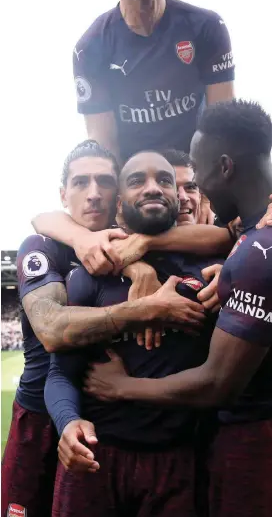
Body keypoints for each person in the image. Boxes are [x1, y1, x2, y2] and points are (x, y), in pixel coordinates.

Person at [83, 100, 272, 517]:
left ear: (225, 167)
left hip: (258, 437)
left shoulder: (262, 250)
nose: (188, 193)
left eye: (195, 177)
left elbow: (220, 383)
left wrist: (119, 387)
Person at [1, 141, 204, 517]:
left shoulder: (131, 247)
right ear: (63, 194)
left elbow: (218, 235)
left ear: (119, 195)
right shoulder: (45, 245)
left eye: (104, 182)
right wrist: (144, 309)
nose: (93, 194)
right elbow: (51, 329)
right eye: (80, 183)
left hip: (105, 427)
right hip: (44, 417)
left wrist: (137, 261)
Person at [44, 150, 225, 517]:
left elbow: (244, 369)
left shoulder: (215, 274)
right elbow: (61, 373)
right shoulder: (91, 275)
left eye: (164, 180)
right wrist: (68, 421)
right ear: (119, 204)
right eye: (136, 181)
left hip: (179, 463)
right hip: (98, 458)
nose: (153, 188)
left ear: (179, 197)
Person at [74, 0, 235, 223]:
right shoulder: (92, 47)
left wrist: (210, 198)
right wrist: (120, 215)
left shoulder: (206, 27)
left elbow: (222, 129)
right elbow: (105, 148)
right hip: (139, 186)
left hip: (194, 178)